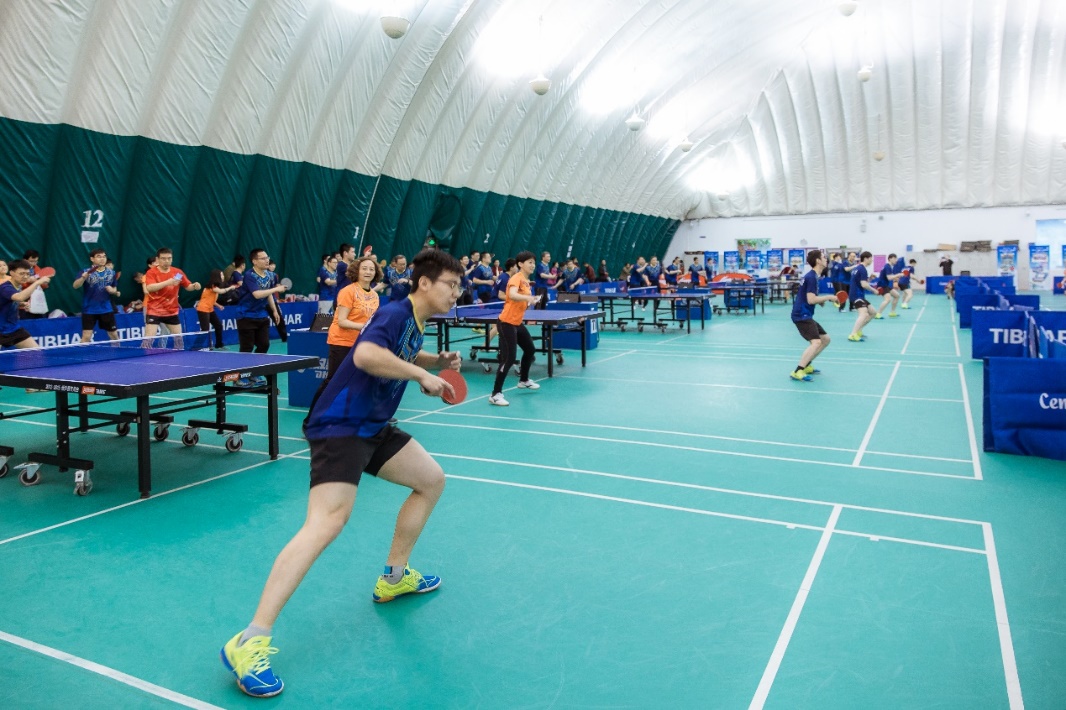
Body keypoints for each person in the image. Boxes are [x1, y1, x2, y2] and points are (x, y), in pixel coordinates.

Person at [219, 249, 464, 698]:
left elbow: (403, 351)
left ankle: (394, 578)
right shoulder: (394, 312)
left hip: (373, 426)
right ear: (425, 283)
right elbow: (367, 354)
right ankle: (249, 640)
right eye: (451, 284)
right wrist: (419, 375)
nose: (457, 293)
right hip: (341, 426)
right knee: (326, 523)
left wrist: (434, 361)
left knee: (430, 481)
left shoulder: (414, 321)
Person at [489, 251, 540, 406]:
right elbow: (511, 294)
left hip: (517, 323)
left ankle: (523, 380)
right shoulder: (516, 278)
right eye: (530, 262)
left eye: (534, 262)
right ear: (520, 264)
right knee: (509, 358)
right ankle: (495, 394)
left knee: (530, 349)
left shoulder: (526, 281)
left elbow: (521, 301)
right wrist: (528, 298)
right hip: (506, 323)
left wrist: (531, 300)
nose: (533, 265)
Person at [233, 249, 286, 384]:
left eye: (267, 257)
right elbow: (257, 294)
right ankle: (239, 377)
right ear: (254, 261)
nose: (267, 260)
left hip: (261, 315)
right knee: (247, 348)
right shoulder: (249, 275)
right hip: (246, 315)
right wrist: (276, 289)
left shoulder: (270, 275)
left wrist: (274, 310)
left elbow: (268, 294)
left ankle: (254, 373)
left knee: (264, 345)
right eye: (263, 258)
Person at [325, 256, 381, 379]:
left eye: (371, 269)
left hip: (361, 343)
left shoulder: (375, 296)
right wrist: (365, 327)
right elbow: (342, 321)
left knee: (356, 381)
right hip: (341, 343)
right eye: (364, 268)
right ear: (357, 271)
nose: (368, 272)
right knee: (334, 381)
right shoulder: (348, 291)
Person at [790, 251, 836, 381]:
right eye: (823, 257)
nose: (826, 259)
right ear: (818, 261)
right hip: (801, 314)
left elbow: (808, 296)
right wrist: (828, 297)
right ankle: (798, 371)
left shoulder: (814, 276)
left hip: (806, 313)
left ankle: (807, 365)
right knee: (816, 342)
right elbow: (811, 300)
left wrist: (820, 301)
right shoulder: (811, 277)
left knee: (825, 339)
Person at [143, 248, 201, 344]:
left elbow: (188, 286)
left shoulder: (177, 272)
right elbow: (150, 288)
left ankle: (178, 354)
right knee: (148, 340)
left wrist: (194, 286)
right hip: (154, 310)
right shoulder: (151, 272)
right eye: (163, 258)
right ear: (157, 259)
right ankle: (144, 354)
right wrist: (168, 282)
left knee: (179, 340)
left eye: (169, 258)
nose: (167, 261)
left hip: (171, 311)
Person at [73, 248, 120, 343]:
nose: (102, 259)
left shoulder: (111, 273)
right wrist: (83, 278)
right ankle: (82, 353)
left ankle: (118, 351)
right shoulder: (85, 271)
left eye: (104, 256)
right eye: (99, 256)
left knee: (114, 335)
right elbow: (75, 286)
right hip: (89, 309)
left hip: (106, 309)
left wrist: (112, 290)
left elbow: (114, 288)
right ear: (92, 259)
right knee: (86, 336)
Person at [196, 269, 237, 349]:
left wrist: (218, 305)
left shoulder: (215, 287)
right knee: (205, 330)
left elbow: (210, 300)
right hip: (203, 309)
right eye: (221, 275)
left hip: (210, 309)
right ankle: (196, 347)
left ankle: (219, 344)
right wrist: (230, 288)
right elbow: (221, 291)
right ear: (217, 276)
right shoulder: (213, 286)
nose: (223, 276)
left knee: (218, 326)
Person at [847, 251, 878, 342]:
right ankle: (853, 334)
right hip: (857, 295)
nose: (872, 260)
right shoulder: (862, 269)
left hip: (858, 294)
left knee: (873, 312)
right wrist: (874, 290)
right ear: (866, 259)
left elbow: (861, 282)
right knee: (863, 314)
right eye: (871, 258)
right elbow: (864, 284)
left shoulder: (857, 268)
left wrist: (870, 279)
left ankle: (858, 331)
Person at [18, 249, 49, 319]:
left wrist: (44, 283)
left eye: (36, 261)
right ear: (25, 260)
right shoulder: (19, 269)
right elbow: (17, 283)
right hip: (24, 298)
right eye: (31, 261)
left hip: (36, 300)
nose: (34, 263)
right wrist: (27, 281)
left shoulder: (38, 269)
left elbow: (43, 285)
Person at [874, 253, 901, 319]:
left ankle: (892, 312)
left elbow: (888, 277)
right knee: (888, 299)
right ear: (890, 259)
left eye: (896, 258)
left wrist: (896, 278)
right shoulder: (887, 267)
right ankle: (878, 314)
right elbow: (889, 278)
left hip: (886, 285)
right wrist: (898, 275)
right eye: (894, 258)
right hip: (882, 285)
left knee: (897, 296)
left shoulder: (889, 266)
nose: (896, 260)